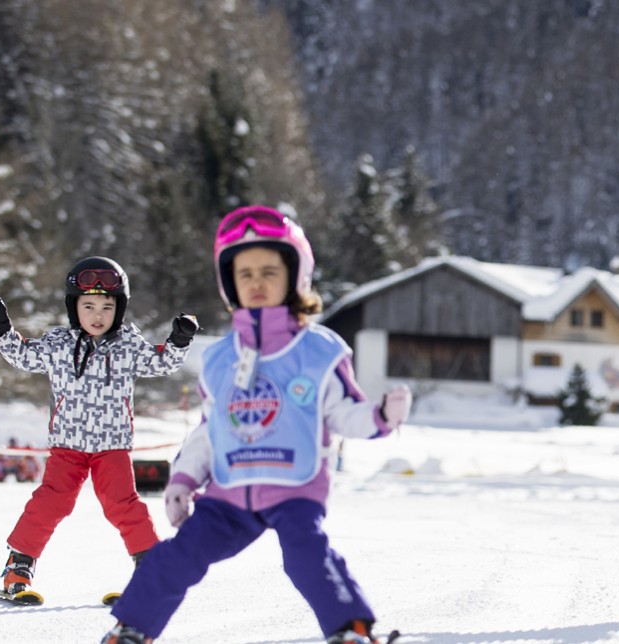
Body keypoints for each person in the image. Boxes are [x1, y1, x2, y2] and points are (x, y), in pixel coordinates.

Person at [104, 206, 413, 644]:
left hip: (294, 488)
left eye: (270, 271)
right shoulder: (220, 360)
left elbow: (344, 412)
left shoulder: (319, 351)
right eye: (244, 273)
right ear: (229, 283)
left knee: (306, 555)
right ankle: (130, 629)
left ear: (296, 277)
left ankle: (352, 630)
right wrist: (184, 480)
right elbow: (211, 431)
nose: (257, 282)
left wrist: (381, 417)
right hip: (229, 494)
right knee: (178, 556)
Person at [0, 256, 198, 604]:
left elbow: (161, 363)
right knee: (52, 502)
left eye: (107, 307)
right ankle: (17, 566)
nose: (98, 315)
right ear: (74, 308)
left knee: (122, 504)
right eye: (89, 306)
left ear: (119, 309)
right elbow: (22, 356)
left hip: (112, 446)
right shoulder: (58, 345)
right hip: (68, 445)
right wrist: (1, 327)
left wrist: (180, 340)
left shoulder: (129, 346)